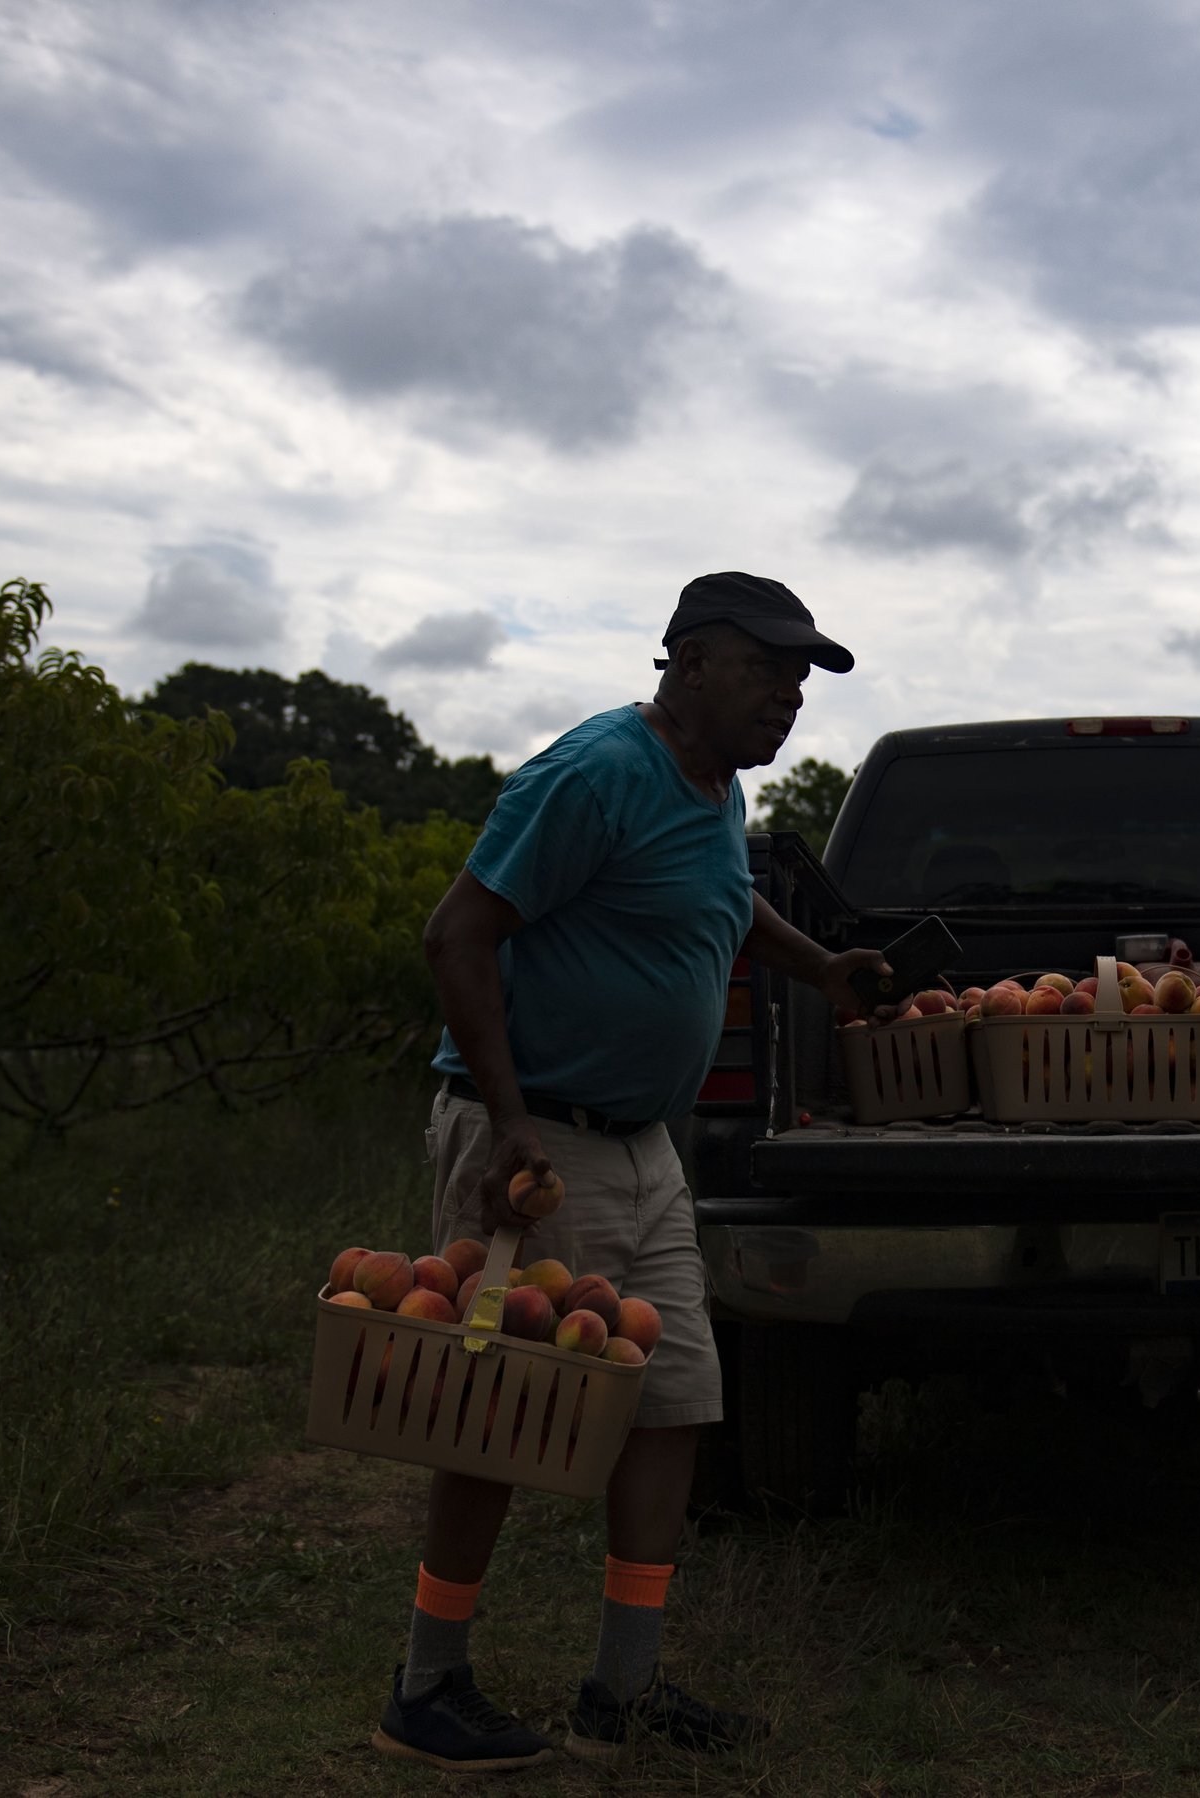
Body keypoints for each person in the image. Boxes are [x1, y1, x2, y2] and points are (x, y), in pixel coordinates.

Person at [373, 572, 884, 1771]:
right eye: (771, 670)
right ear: (691, 661)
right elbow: (458, 932)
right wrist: (506, 1125)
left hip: (645, 1150)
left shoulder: (713, 785)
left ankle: (623, 1688)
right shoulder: (598, 770)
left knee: (670, 1406)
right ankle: (427, 1682)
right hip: (540, 1143)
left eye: (802, 680)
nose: (790, 696)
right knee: (500, 1410)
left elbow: (726, 902)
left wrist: (820, 968)